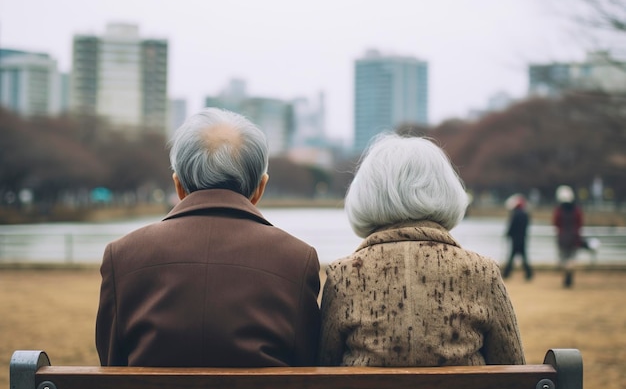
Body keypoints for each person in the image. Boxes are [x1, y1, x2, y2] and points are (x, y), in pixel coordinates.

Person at [96, 108, 321, 367]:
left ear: (178, 186)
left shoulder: (122, 255)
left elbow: (111, 363)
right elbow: (306, 364)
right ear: (260, 188)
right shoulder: (298, 259)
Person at [318, 133, 525, 367]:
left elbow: (324, 367)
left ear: (366, 194)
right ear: (446, 190)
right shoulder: (482, 272)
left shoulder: (344, 275)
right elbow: (513, 367)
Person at [552, 185, 583, 288]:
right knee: (572, 259)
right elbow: (580, 223)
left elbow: (555, 223)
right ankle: (570, 276)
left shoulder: (559, 211)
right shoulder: (577, 210)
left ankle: (566, 277)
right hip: (574, 238)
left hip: (562, 239)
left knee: (563, 259)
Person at [502, 194, 533, 280]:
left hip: (515, 239)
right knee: (524, 256)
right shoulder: (525, 214)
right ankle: (528, 274)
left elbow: (512, 226)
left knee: (512, 256)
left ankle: (506, 273)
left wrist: (508, 234)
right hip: (523, 238)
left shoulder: (515, 214)